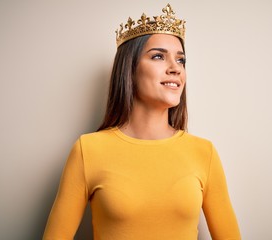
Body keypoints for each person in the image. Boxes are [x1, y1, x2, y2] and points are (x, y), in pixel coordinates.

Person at [43, 4, 241, 240]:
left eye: (181, 60)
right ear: (130, 68)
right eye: (158, 56)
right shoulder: (88, 150)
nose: (175, 69)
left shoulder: (203, 152)